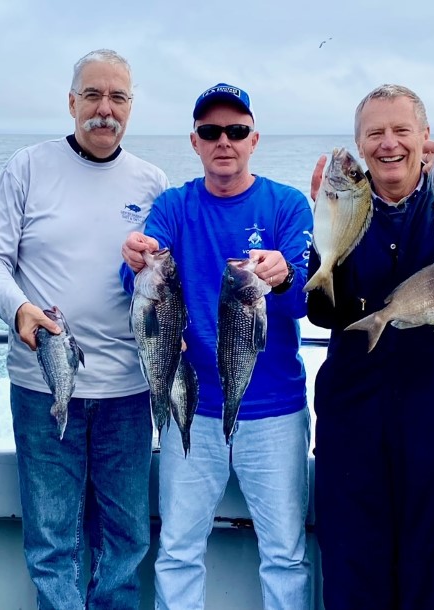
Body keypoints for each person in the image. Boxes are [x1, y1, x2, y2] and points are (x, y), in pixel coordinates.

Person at [0, 49, 167, 609]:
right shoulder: (28, 167)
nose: (105, 108)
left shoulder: (153, 181)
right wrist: (18, 309)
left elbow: (171, 275)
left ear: (131, 106)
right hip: (42, 386)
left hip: (128, 391)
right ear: (72, 101)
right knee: (52, 540)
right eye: (93, 95)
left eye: (118, 97)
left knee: (126, 538)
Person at [305, 83, 434, 610]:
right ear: (359, 144)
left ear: (426, 139)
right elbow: (321, 313)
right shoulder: (341, 207)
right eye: (374, 133)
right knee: (354, 576)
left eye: (401, 130)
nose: (388, 143)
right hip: (353, 422)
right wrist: (324, 221)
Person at [120, 83, 313, 609]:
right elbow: (139, 282)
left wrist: (284, 275)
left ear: (254, 139)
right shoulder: (174, 206)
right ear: (195, 141)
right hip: (192, 403)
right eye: (210, 131)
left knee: (286, 553)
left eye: (236, 130)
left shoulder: (287, 205)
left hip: (274, 410)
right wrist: (135, 259)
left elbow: (304, 301)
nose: (223, 141)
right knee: (178, 549)